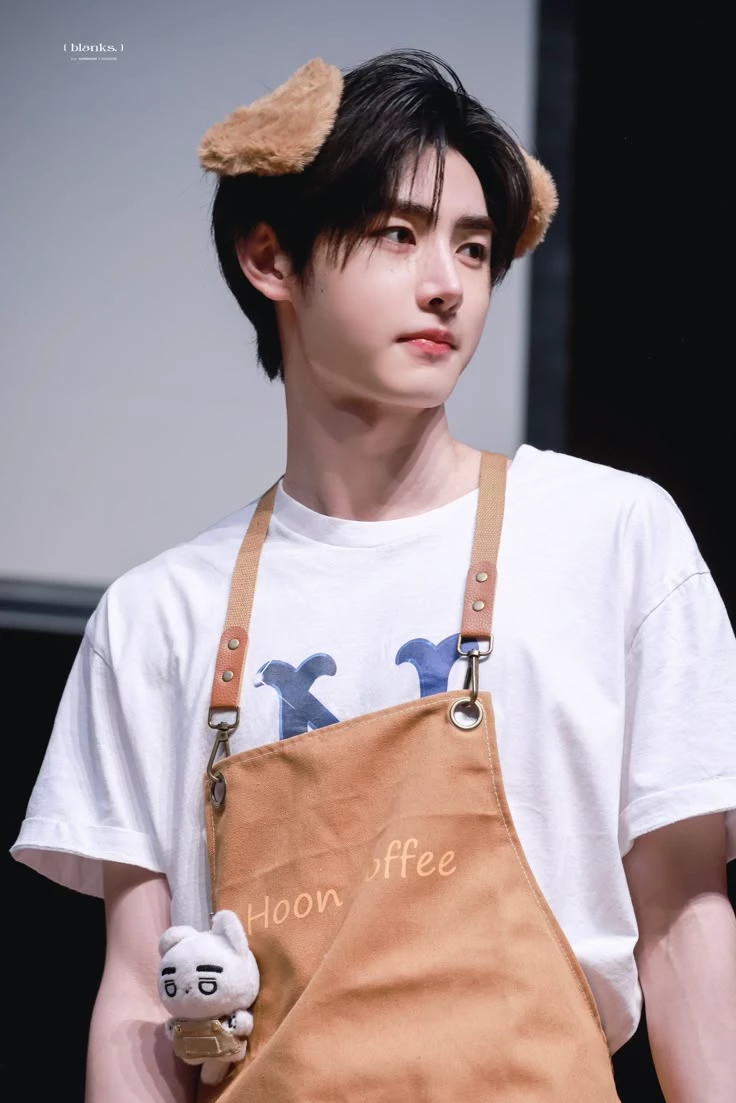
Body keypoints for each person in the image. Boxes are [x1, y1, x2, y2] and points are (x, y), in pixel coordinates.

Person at [10, 47, 736, 1103]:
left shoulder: (609, 537)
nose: (447, 282)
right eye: (399, 233)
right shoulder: (158, 616)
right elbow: (136, 994)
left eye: (474, 247)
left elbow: (682, 918)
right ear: (271, 257)